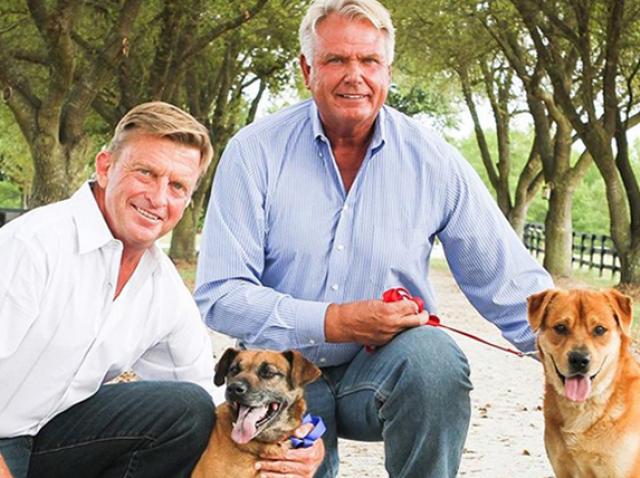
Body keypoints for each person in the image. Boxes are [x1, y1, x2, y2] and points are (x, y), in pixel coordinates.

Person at [194, 0, 554, 476]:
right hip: (281, 380)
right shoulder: (253, 152)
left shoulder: (433, 160)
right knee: (296, 466)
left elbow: (507, 279)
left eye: (369, 60)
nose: (355, 75)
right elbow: (221, 295)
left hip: (380, 372)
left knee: (435, 362)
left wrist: (587, 356)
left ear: (388, 70)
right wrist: (335, 320)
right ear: (307, 69)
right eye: (336, 60)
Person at [0, 102, 217, 478]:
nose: (158, 198)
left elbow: (205, 392)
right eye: (146, 173)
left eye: (177, 186)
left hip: (49, 436)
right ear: (105, 167)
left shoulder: (162, 285)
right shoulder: (32, 246)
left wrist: (288, 447)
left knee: (187, 408)